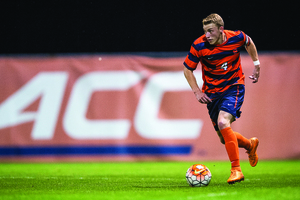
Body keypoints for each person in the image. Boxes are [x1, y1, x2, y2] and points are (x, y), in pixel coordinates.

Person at [183, 13, 260, 184]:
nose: (207, 35)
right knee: (222, 137)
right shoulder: (199, 45)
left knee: (223, 122)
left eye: (210, 31)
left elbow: (249, 42)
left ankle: (236, 170)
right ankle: (249, 145)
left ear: (221, 29)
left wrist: (256, 64)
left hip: (234, 86)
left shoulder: (236, 37)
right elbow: (187, 69)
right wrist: (197, 91)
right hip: (212, 93)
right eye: (205, 31)